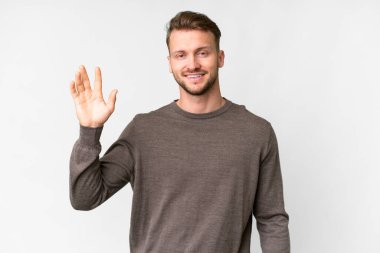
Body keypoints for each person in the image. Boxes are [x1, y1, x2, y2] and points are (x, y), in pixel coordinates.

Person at [69, 10, 290, 253]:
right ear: (170, 63)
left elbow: (272, 220)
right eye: (181, 55)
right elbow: (84, 198)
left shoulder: (256, 132)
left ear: (220, 57)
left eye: (202, 53)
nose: (192, 64)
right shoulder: (143, 131)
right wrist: (90, 131)